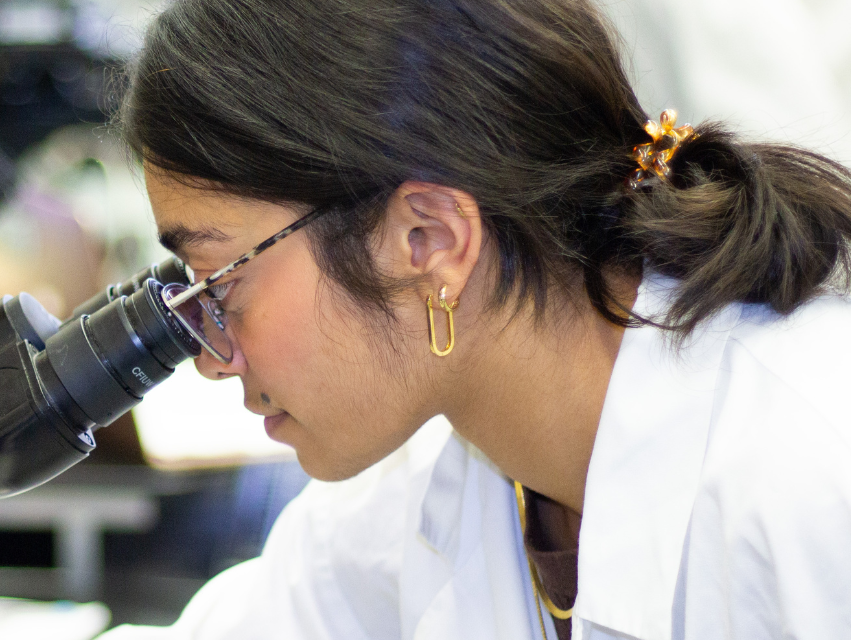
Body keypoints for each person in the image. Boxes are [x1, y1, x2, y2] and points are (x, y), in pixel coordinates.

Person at [99, 0, 851, 638]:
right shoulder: (421, 501)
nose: (210, 356)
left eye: (217, 281)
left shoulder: (810, 479)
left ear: (430, 241)